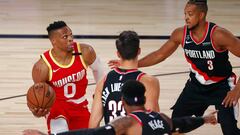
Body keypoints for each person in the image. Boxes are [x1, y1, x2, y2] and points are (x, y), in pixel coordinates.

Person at [110, 0, 240, 134]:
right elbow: (160, 54)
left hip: (222, 86)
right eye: (185, 14)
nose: (186, 18)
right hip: (196, 86)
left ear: (201, 15)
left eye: (190, 14)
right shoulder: (181, 34)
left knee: (230, 130)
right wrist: (130, 63)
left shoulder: (218, 35)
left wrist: (237, 90)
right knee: (175, 125)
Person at [23, 80, 218, 135]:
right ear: (144, 98)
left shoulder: (127, 122)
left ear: (123, 102)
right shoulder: (161, 119)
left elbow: (94, 133)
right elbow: (181, 124)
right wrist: (204, 119)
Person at [28, 21, 104, 134]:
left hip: (80, 105)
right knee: (61, 131)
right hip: (57, 107)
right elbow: (39, 98)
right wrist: (37, 111)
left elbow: (102, 74)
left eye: (71, 35)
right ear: (53, 41)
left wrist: (100, 96)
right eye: (65, 37)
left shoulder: (85, 52)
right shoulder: (42, 67)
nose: (70, 39)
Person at [89, 30, 160, 128]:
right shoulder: (148, 81)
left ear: (118, 54)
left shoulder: (103, 81)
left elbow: (93, 124)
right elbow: (152, 122)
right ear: (139, 51)